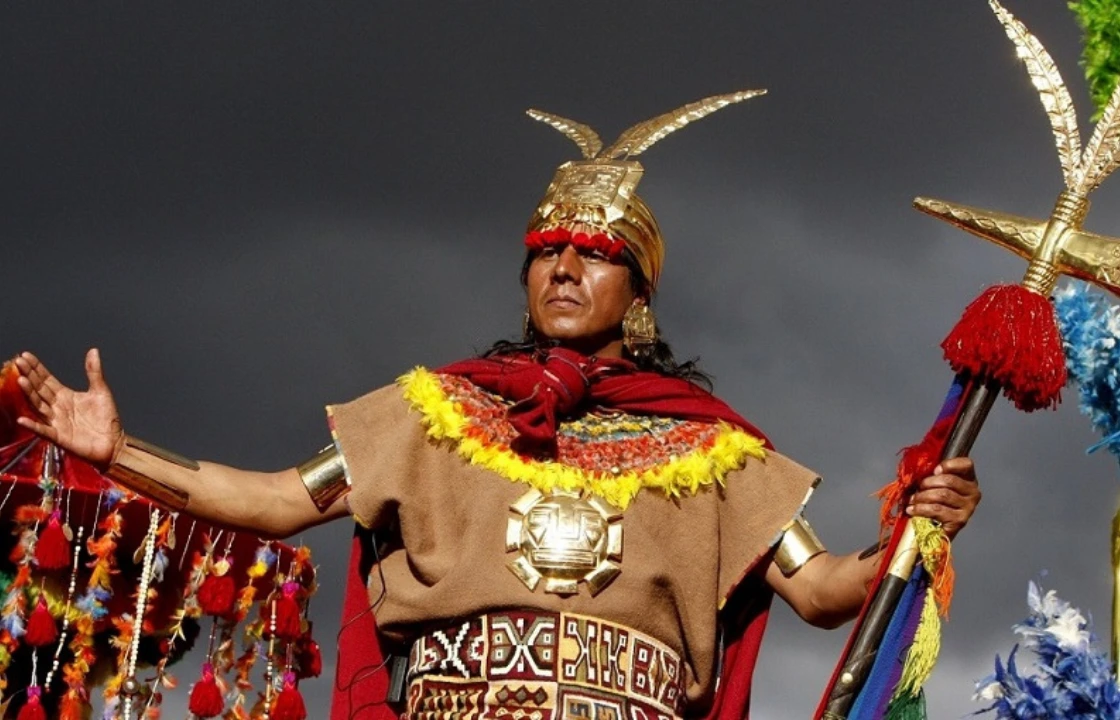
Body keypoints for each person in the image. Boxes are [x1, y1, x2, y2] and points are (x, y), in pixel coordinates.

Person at [12, 91, 980, 720]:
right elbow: (271, 502)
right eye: (547, 252)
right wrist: (114, 448)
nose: (563, 268)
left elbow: (820, 593)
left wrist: (916, 527)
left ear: (638, 294)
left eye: (594, 255)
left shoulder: (714, 452)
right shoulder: (433, 413)